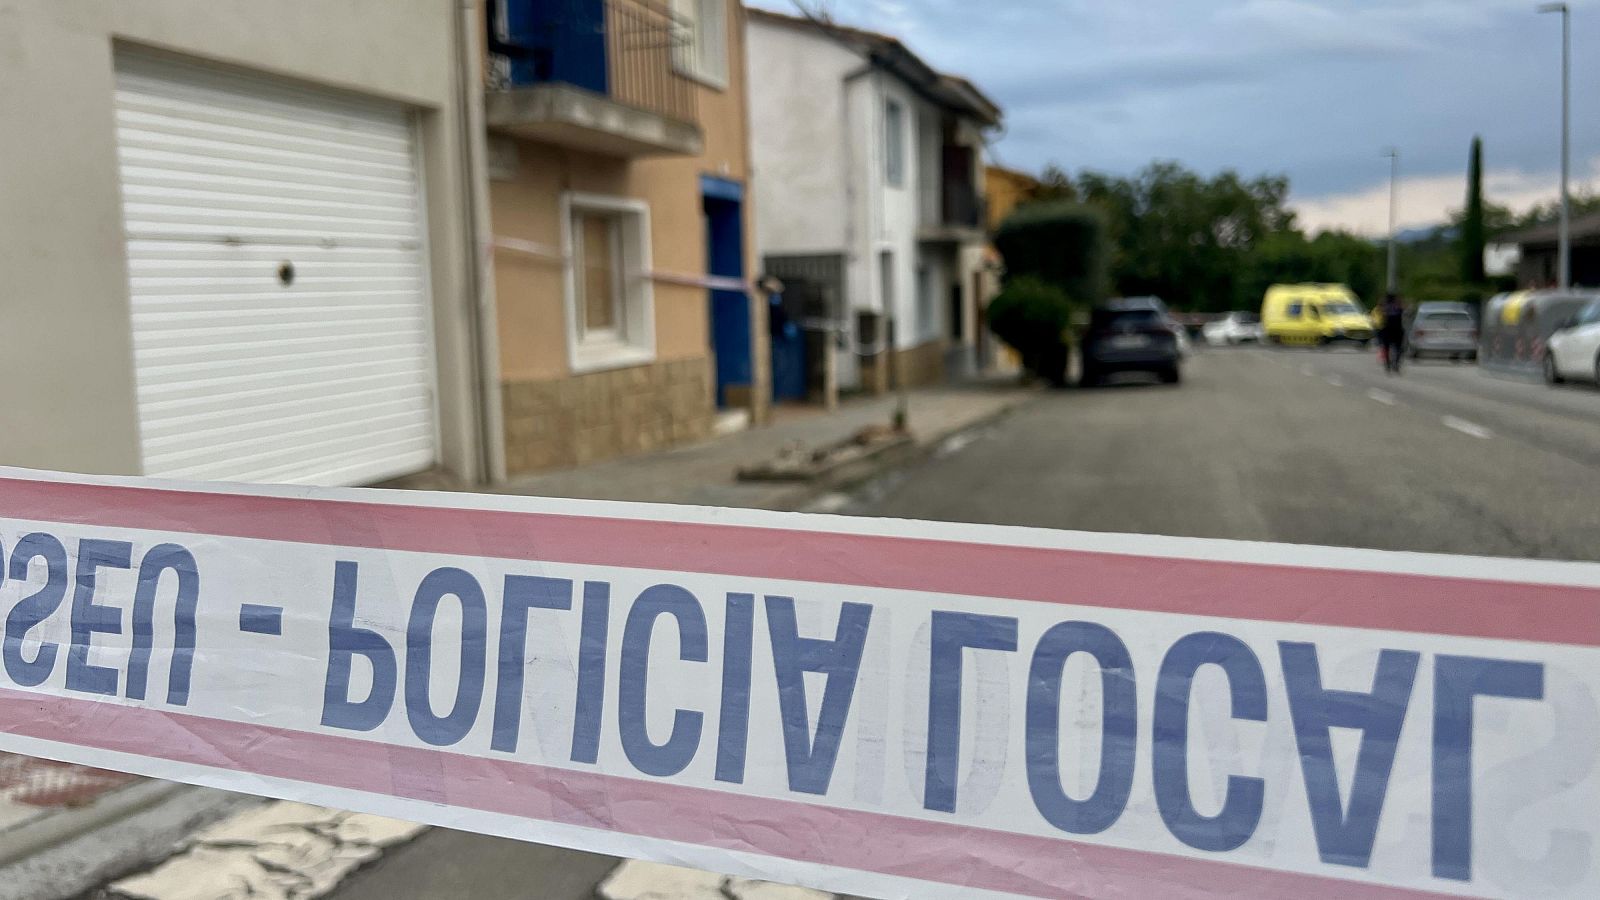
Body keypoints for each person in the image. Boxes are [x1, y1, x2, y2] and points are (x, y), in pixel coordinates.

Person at [1378, 292, 1406, 374]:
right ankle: (1396, 364)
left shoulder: (1385, 307)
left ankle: (1388, 364)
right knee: (1399, 348)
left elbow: (1380, 308)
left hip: (1387, 330)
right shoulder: (1398, 306)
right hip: (1397, 330)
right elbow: (1404, 309)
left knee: (1386, 348)